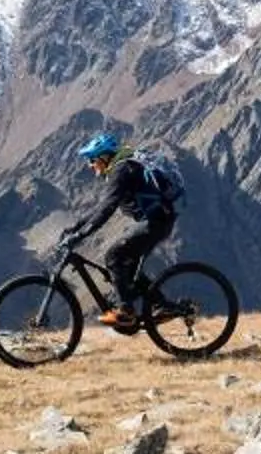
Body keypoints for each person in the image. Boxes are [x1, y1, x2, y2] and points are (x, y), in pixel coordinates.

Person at [67, 132, 182, 330]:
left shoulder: (121, 170)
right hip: (158, 220)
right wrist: (76, 228)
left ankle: (125, 312)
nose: (90, 165)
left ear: (104, 157)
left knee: (114, 256)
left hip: (156, 222)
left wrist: (82, 235)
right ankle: (162, 305)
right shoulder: (123, 167)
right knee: (129, 269)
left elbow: (107, 208)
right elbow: (101, 206)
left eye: (92, 160)